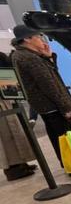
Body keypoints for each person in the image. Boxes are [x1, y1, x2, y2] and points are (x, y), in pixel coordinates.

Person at [10, 25, 71, 166]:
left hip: (46, 105)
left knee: (58, 135)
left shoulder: (23, 55)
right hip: (51, 104)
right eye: (38, 36)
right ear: (27, 39)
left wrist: (48, 57)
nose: (42, 39)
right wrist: (64, 106)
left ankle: (69, 163)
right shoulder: (29, 58)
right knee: (64, 134)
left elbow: (52, 75)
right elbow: (49, 84)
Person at [0, 52, 37, 180]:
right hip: (2, 103)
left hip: (7, 97)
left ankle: (21, 162)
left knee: (15, 133)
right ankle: (13, 169)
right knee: (6, 137)